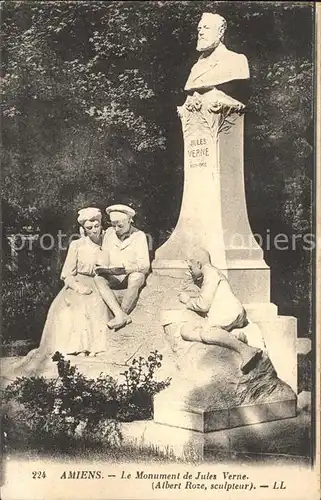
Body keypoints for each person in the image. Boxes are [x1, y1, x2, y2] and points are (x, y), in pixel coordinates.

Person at [3, 207, 126, 379]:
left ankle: (94, 348)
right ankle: (77, 349)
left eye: (96, 226)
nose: (93, 230)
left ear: (100, 224)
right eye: (89, 227)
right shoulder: (77, 245)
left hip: (100, 282)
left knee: (99, 304)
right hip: (78, 283)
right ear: (83, 228)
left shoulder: (107, 244)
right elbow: (66, 274)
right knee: (77, 305)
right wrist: (77, 287)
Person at [177, 249, 262, 374]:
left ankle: (246, 350)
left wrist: (187, 300)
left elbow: (203, 305)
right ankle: (232, 337)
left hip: (228, 313)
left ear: (199, 264)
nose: (189, 271)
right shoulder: (213, 273)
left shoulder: (210, 274)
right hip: (231, 314)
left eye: (191, 268)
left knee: (206, 334)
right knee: (186, 330)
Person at [94, 204, 150, 330]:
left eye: (120, 225)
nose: (116, 229)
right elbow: (104, 255)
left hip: (130, 274)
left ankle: (122, 314)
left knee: (136, 277)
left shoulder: (139, 236)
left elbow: (145, 265)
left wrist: (127, 269)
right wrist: (101, 266)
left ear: (129, 221)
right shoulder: (109, 233)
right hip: (114, 276)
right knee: (98, 279)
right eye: (113, 225)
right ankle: (119, 314)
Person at [184, 12, 250, 110]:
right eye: (199, 29)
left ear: (220, 32)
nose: (201, 33)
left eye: (206, 28)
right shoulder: (196, 67)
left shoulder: (237, 60)